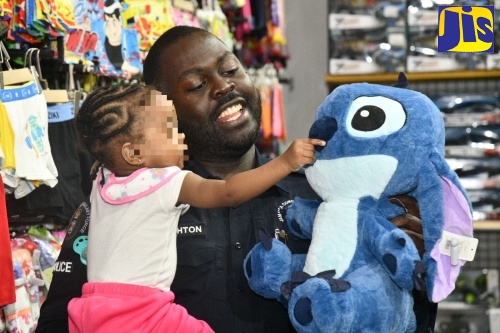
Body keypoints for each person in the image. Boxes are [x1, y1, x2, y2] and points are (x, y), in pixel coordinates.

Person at [36, 26, 437, 333]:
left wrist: (414, 267)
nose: (224, 86)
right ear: (161, 110)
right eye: (196, 84)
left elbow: (393, 314)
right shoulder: (120, 202)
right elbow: (63, 319)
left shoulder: (324, 192)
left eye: (230, 69)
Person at [66, 84, 324, 332]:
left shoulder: (101, 181)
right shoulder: (167, 182)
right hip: (143, 311)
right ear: (133, 153)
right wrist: (285, 162)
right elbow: (229, 192)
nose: (180, 136)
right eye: (169, 129)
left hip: (89, 310)